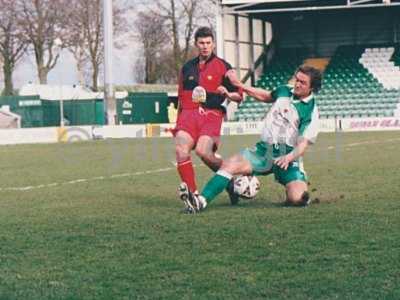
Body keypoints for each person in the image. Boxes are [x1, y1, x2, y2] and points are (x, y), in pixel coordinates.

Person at [180, 65, 322, 213]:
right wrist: (241, 86)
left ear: (312, 87)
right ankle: (200, 201)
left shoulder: (311, 111)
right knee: (229, 165)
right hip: (263, 151)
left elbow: (303, 145)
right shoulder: (285, 90)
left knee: (297, 198)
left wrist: (288, 158)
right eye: (297, 79)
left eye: (303, 82)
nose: (297, 84)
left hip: (288, 157)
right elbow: (266, 96)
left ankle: (293, 190)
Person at [174, 26, 243, 205]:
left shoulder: (224, 67)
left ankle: (230, 182)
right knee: (181, 149)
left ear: (213, 44)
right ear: (196, 44)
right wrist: (177, 123)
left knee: (203, 152)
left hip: (212, 115)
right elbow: (181, 96)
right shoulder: (187, 68)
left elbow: (239, 96)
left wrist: (228, 94)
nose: (205, 46)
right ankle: (194, 195)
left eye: (208, 43)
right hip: (188, 116)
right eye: (201, 43)